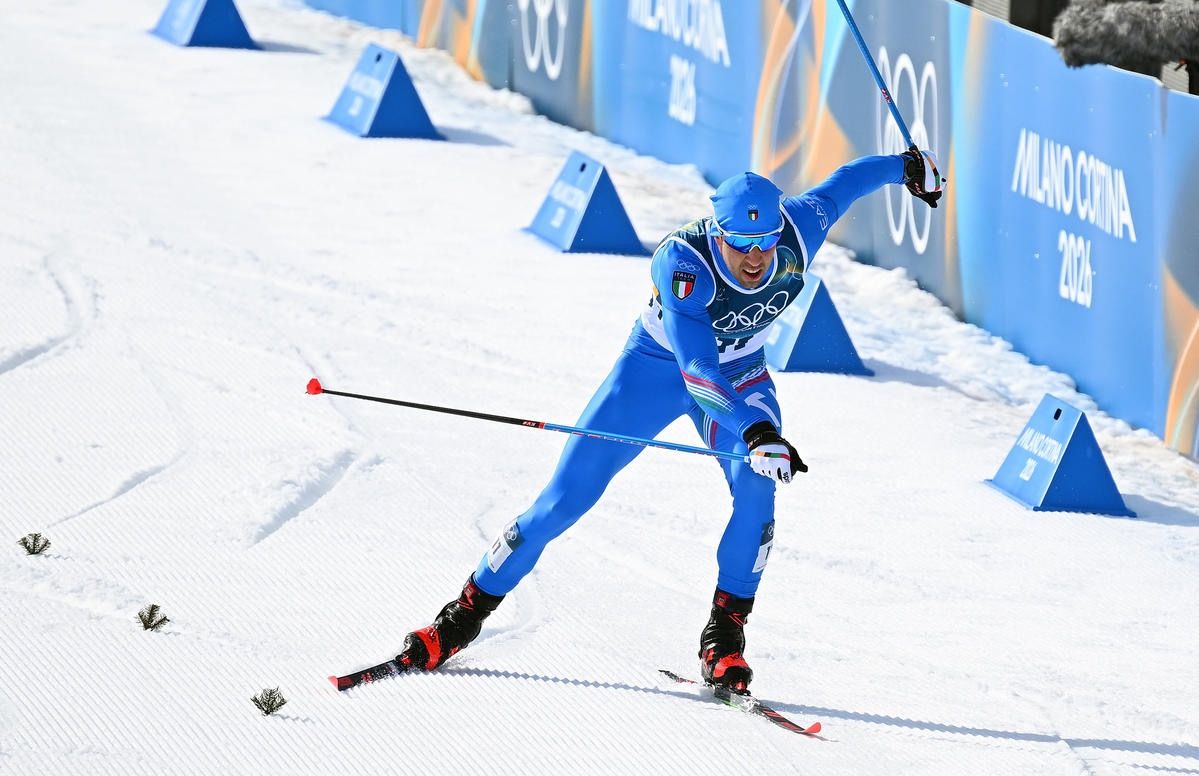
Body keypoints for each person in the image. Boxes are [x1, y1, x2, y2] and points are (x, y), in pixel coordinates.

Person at [393, 149, 943, 693]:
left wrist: (907, 167)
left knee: (758, 490)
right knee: (564, 500)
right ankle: (462, 616)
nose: (756, 258)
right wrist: (757, 432)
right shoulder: (683, 262)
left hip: (743, 374)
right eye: (741, 244)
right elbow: (697, 371)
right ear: (718, 234)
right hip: (656, 373)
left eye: (765, 243)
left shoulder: (799, 228)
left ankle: (724, 638)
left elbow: (849, 179)